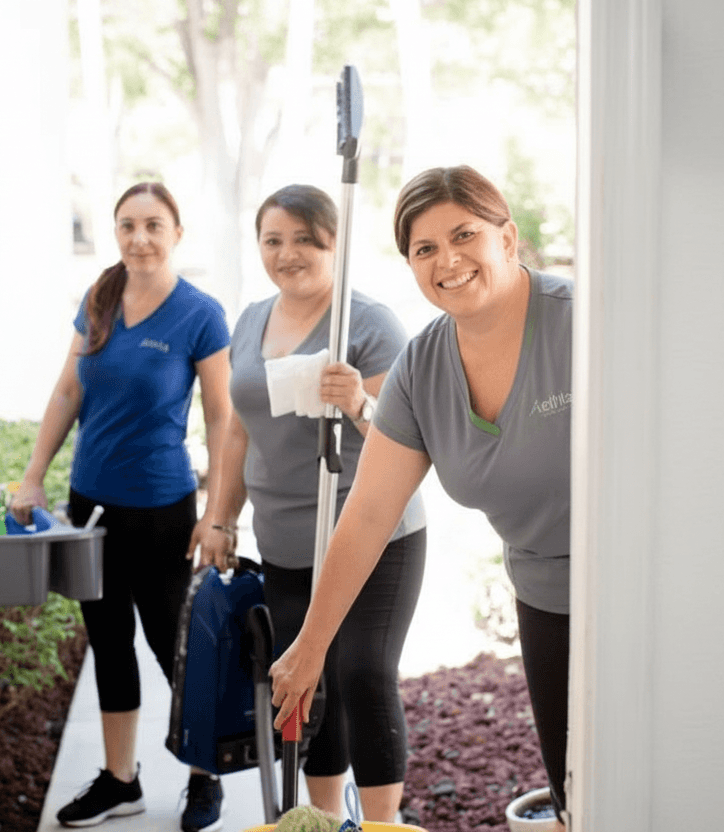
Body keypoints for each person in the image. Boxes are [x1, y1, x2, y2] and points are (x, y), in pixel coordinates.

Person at [266, 166, 572, 829]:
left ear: (508, 238)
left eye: (464, 235)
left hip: (638, 597)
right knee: (576, 787)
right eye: (424, 249)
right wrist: (311, 646)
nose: (447, 260)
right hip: (546, 597)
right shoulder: (421, 368)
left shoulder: (582, 325)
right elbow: (371, 511)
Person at [194, 184, 428, 822]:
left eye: (304, 239)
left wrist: (355, 402)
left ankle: (381, 822)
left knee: (363, 672)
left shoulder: (368, 324)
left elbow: (407, 444)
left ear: (335, 244)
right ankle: (323, 818)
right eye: (273, 240)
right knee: (305, 678)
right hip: (285, 539)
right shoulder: (250, 320)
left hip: (371, 533)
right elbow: (237, 430)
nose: (287, 253)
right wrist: (220, 517)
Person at [10, 182, 233, 832]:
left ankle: (204, 774)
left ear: (177, 234)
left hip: (162, 510)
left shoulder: (200, 313)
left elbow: (222, 418)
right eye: (128, 225)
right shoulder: (100, 297)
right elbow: (65, 393)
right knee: (107, 642)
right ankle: (119, 780)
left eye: (154, 225)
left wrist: (217, 511)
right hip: (90, 505)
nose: (140, 238)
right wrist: (32, 477)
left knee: (174, 648)